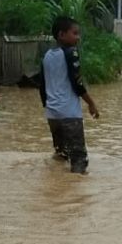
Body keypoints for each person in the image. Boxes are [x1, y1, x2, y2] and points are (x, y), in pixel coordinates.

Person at [40, 15, 99, 174]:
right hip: (69, 115)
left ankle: (58, 188)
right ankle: (75, 195)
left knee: (61, 155)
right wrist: (91, 103)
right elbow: (77, 83)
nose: (78, 38)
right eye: (75, 33)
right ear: (61, 35)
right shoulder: (71, 53)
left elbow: (42, 86)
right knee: (79, 159)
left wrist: (48, 107)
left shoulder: (47, 56)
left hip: (52, 115)